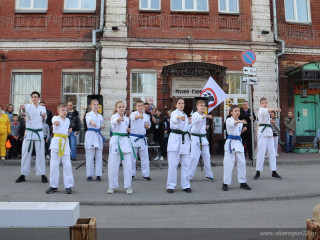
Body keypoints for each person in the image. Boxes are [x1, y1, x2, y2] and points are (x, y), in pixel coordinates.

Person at [15, 91, 48, 183]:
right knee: (25, 154)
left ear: (38, 98)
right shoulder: (27, 106)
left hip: (39, 132)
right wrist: (22, 108)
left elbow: (43, 121)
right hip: (29, 132)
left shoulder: (43, 108)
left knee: (40, 154)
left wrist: (44, 116)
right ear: (31, 98)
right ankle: (23, 174)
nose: (34, 98)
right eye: (33, 97)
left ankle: (42, 174)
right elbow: (24, 112)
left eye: (36, 97)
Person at [46, 103, 74, 194]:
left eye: (66, 110)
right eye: (63, 110)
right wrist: (56, 123)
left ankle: (68, 186)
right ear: (58, 111)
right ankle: (53, 186)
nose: (65, 112)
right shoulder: (55, 118)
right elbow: (55, 122)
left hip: (65, 143)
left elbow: (65, 131)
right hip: (56, 142)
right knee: (54, 165)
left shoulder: (68, 120)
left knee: (67, 165)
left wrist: (69, 132)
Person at [222, 105, 251, 191]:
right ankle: (225, 183)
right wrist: (241, 121)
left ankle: (243, 182)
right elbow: (232, 124)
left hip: (238, 142)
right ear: (231, 112)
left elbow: (237, 131)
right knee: (228, 163)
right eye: (235, 111)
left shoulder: (240, 122)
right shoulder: (229, 119)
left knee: (242, 162)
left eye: (238, 111)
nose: (237, 112)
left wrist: (243, 130)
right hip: (230, 142)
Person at [108, 101, 134, 194]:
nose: (122, 108)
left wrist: (128, 130)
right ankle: (112, 186)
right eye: (119, 107)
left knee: (128, 165)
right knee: (113, 165)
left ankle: (128, 186)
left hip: (125, 141)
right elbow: (114, 123)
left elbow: (125, 128)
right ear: (116, 108)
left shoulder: (127, 119)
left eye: (123, 107)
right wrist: (118, 120)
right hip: (116, 141)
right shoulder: (114, 117)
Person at [166, 98, 191, 194]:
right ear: (176, 105)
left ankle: (186, 185)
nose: (181, 105)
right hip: (175, 139)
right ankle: (171, 185)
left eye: (183, 103)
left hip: (184, 140)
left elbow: (187, 128)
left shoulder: (185, 115)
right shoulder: (174, 113)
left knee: (186, 164)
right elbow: (174, 117)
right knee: (173, 164)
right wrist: (179, 117)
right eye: (179, 103)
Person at [254, 98, 282, 180]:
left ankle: (274, 171)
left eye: (266, 102)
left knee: (272, 152)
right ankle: (258, 172)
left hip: (269, 132)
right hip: (262, 133)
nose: (265, 104)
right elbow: (268, 110)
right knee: (261, 153)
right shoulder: (261, 110)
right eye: (263, 103)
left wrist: (271, 121)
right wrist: (276, 109)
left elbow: (267, 117)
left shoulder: (267, 111)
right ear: (260, 104)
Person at [189, 100, 214, 182]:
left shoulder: (203, 114)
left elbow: (201, 122)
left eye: (204, 105)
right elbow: (198, 118)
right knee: (194, 158)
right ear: (197, 106)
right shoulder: (195, 114)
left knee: (207, 157)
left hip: (203, 138)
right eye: (201, 105)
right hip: (195, 138)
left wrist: (205, 127)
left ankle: (209, 175)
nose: (203, 107)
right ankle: (189, 176)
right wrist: (207, 116)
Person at [129, 100, 151, 181]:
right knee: (132, 157)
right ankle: (131, 174)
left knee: (145, 157)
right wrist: (138, 116)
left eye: (141, 105)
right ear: (136, 107)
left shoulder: (147, 116)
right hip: (134, 138)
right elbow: (133, 117)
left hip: (142, 138)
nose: (140, 107)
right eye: (138, 105)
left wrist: (147, 126)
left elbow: (149, 126)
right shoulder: (133, 114)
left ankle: (145, 174)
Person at [85, 99, 105, 182]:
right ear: (91, 106)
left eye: (97, 105)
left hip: (98, 135)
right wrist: (92, 123)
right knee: (90, 156)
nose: (96, 106)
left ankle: (98, 174)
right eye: (94, 104)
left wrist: (101, 127)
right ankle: (89, 175)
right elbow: (90, 121)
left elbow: (101, 124)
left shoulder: (100, 116)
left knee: (99, 156)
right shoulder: (88, 114)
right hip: (91, 135)